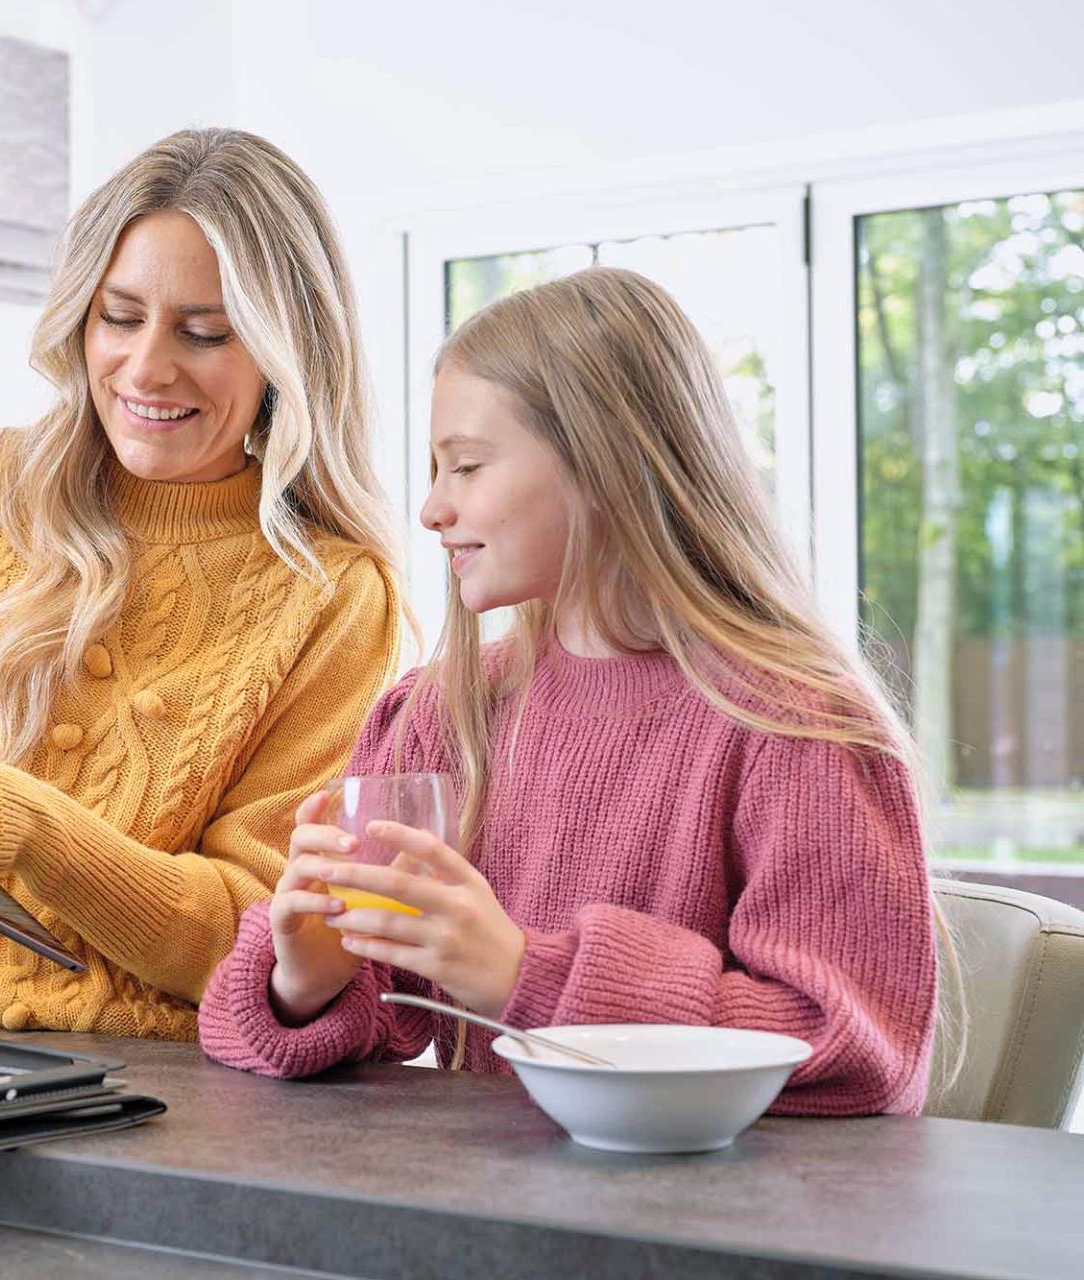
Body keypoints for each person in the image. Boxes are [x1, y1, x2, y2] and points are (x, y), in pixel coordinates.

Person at [198, 266, 947, 1114]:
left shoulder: (797, 726)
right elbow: (371, 1005)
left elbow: (855, 1049)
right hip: (496, 1215)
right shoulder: (439, 715)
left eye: (467, 466)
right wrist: (306, 979)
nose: (431, 509)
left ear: (604, 464)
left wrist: (525, 975)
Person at [0, 129, 406, 1040]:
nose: (146, 369)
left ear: (288, 353)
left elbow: (256, 936)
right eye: (120, 317)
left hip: (144, 1111)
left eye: (207, 333)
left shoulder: (332, 596)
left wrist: (31, 832)